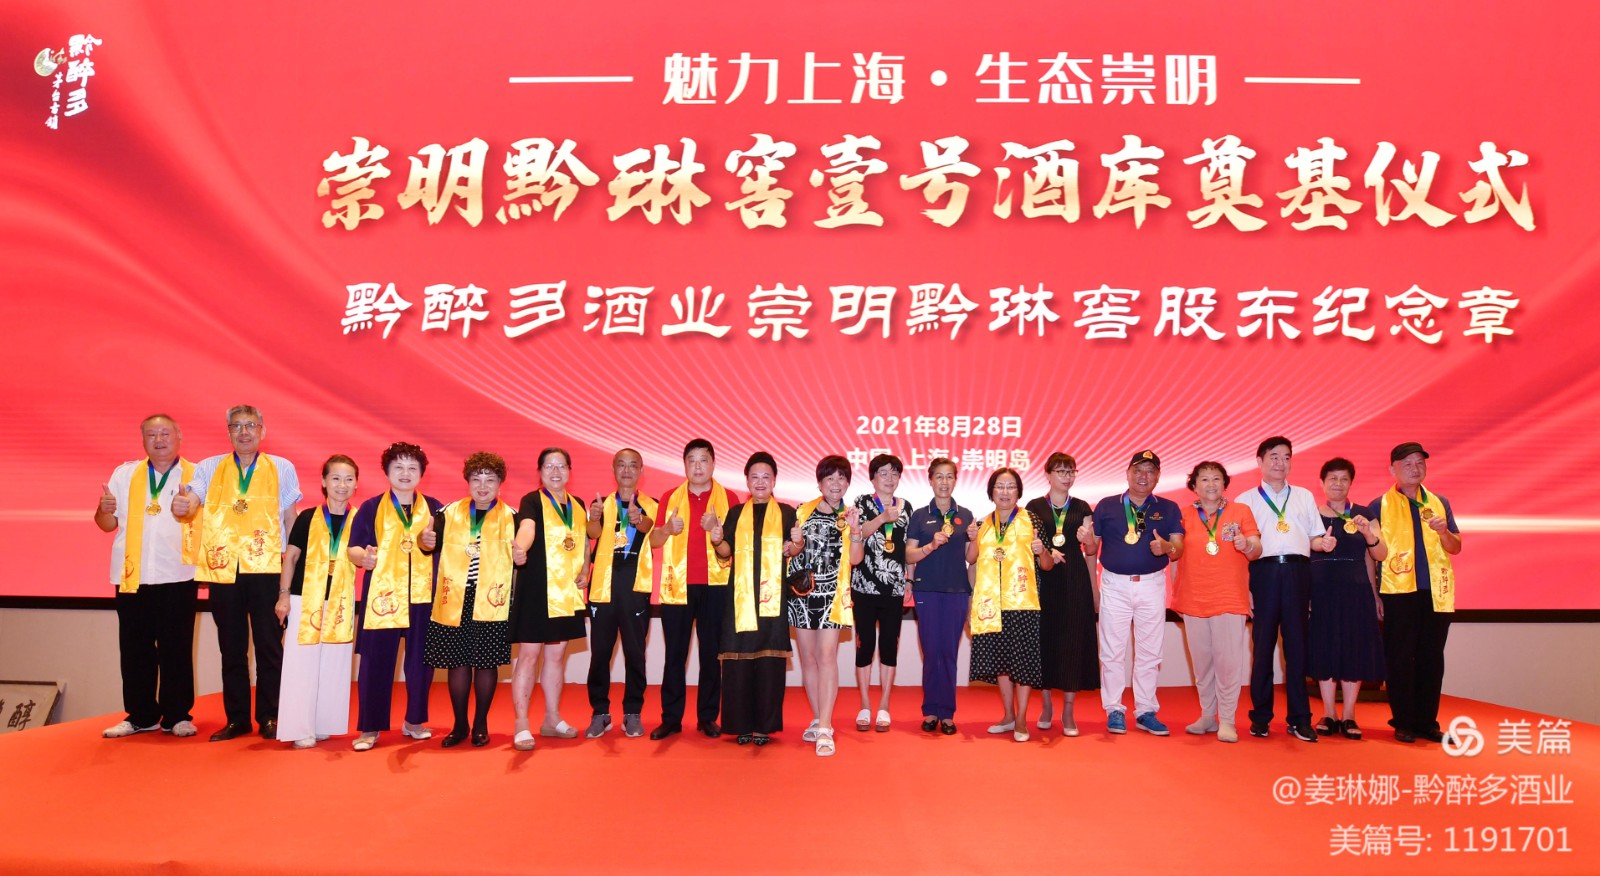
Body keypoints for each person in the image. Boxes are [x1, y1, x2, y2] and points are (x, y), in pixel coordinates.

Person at [172, 404, 302, 742]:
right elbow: (192, 500)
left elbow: (290, 517)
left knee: (270, 647)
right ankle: (237, 719)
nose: (244, 432)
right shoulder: (209, 466)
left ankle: (270, 716)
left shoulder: (282, 467)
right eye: (236, 426)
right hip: (224, 571)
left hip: (267, 569)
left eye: (250, 425)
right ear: (228, 432)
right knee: (231, 649)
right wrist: (183, 506)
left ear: (262, 430)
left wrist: (293, 568)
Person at [95, 414, 200, 739]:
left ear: (179, 436)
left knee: (176, 648)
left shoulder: (197, 476)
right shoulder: (125, 474)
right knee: (134, 649)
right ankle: (141, 715)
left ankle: (177, 716)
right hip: (131, 576)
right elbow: (106, 524)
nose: (159, 440)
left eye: (165, 433)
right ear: (143, 440)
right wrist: (103, 509)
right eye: (151, 434)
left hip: (178, 575)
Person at [1236, 436, 1336, 743]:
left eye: (1287, 457)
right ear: (1260, 461)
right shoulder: (1245, 500)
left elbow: (1314, 538)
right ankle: (1261, 717)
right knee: (1262, 649)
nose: (1281, 463)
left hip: (1297, 572)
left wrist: (1324, 543)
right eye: (1274, 457)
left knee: (1297, 649)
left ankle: (1300, 719)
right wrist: (1245, 588)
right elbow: (1239, 550)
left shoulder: (1304, 496)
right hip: (1262, 574)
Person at [347, 442, 443, 751]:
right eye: (398, 467)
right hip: (383, 598)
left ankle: (414, 721)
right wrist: (363, 558)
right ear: (387, 472)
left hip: (423, 598)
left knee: (421, 664)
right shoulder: (371, 507)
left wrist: (434, 542)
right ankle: (370, 727)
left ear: (421, 474)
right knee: (375, 663)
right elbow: (353, 548)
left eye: (412, 468)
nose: (405, 473)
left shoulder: (436, 508)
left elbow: (447, 550)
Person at [1081, 450, 1184, 736]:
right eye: (1138, 470)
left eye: (1150, 471)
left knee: (1150, 651)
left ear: (1158, 476)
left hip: (1151, 584)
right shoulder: (1107, 506)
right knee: (1112, 651)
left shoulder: (1169, 507)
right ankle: (1114, 709)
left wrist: (1167, 547)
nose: (1143, 476)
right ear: (1127, 473)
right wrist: (1088, 547)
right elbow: (1092, 549)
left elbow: (1178, 549)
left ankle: (1146, 710)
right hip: (1114, 585)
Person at [422, 452, 519, 748]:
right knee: (457, 663)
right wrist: (424, 541)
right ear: (467, 481)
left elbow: (521, 560)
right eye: (477, 479)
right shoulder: (448, 512)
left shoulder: (513, 516)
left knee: (486, 663)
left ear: (500, 483)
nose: (483, 485)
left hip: (492, 599)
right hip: (455, 597)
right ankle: (460, 724)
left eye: (490, 479)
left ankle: (480, 724)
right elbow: (428, 543)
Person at [1368, 442, 1461, 744]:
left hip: (1435, 592)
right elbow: (1371, 554)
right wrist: (1374, 594)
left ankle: (1426, 722)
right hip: (1397, 592)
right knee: (1399, 657)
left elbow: (1456, 547)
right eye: (1406, 463)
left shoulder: (1439, 503)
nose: (1414, 468)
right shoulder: (1378, 506)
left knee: (1431, 658)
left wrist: (1444, 531)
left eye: (1420, 462)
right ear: (1392, 469)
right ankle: (1404, 722)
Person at [648, 438, 735, 740]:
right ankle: (671, 718)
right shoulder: (669, 497)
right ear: (684, 464)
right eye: (692, 461)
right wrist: (667, 529)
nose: (698, 467)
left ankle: (707, 717)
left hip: (716, 587)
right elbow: (654, 541)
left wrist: (717, 531)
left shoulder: (729, 498)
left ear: (713, 463)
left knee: (711, 655)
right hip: (677, 587)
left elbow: (734, 545)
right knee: (675, 655)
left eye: (703, 460)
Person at [710, 452, 799, 745]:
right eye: (754, 477)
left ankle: (764, 726)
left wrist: (796, 544)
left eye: (766, 477)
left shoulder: (786, 513)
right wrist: (717, 539)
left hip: (773, 601)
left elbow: (794, 548)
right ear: (747, 481)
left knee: (770, 662)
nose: (760, 482)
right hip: (740, 598)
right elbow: (726, 552)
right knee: (737, 662)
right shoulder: (736, 513)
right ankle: (741, 725)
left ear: (774, 481)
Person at [273, 456, 360, 749]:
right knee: (301, 665)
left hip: (341, 601)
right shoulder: (307, 518)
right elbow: (291, 557)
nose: (342, 485)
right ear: (323, 481)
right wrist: (283, 595)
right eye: (335, 478)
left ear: (356, 484)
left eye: (348, 479)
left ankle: (323, 723)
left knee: (334, 664)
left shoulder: (360, 519)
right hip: (303, 598)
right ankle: (299, 728)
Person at [1170, 462, 1259, 744]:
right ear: (1194, 485)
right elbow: (1175, 557)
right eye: (1204, 479)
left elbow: (1256, 549)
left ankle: (1228, 720)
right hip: (1193, 598)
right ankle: (1208, 715)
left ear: (1225, 483)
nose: (1211, 484)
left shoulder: (1240, 511)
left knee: (1228, 664)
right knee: (1202, 664)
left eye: (1216, 479)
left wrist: (1247, 545)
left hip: (1229, 597)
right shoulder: (1183, 515)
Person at [509, 447, 590, 751]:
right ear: (540, 472)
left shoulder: (578, 504)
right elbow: (527, 528)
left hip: (566, 593)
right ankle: (521, 723)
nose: (555, 472)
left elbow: (582, 542)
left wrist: (586, 569)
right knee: (529, 656)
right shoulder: (532, 500)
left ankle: (552, 718)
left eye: (561, 466)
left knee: (557, 657)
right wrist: (520, 548)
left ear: (569, 471)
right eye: (549, 466)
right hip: (536, 589)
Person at [966, 467, 1054, 743]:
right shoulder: (982, 523)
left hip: (1023, 603)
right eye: (1000, 486)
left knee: (1023, 662)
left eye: (1010, 486)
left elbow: (1047, 565)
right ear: (991, 491)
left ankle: (1022, 719)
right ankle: (1007, 716)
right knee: (1001, 662)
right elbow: (971, 558)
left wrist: (1043, 551)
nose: (1005, 492)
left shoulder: (1031, 520)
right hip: (991, 604)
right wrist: (972, 539)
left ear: (1019, 492)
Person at [582, 448, 657, 739]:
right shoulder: (600, 504)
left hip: (634, 585)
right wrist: (594, 517)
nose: (627, 471)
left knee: (635, 653)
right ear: (613, 469)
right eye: (621, 465)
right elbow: (592, 533)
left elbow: (650, 527)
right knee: (600, 653)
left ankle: (632, 712)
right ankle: (600, 712)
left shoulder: (651, 504)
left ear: (641, 471)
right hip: (603, 584)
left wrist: (638, 519)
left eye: (633, 465)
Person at [789, 455, 859, 756]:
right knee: (808, 658)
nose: (836, 483)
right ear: (819, 483)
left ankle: (826, 728)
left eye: (841, 478)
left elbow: (855, 559)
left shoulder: (851, 514)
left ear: (848, 483)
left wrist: (856, 531)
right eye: (830, 478)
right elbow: (791, 550)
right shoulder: (802, 511)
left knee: (827, 655)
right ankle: (818, 718)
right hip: (802, 594)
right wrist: (792, 544)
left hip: (833, 594)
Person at [1026, 453, 1098, 737]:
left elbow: (1091, 551)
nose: (1066, 477)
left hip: (1074, 578)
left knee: (1072, 642)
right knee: (1044, 640)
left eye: (1071, 472)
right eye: (1060, 471)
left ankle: (1068, 710)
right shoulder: (1033, 506)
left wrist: (1089, 542)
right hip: (1044, 578)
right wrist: (1045, 551)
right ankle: (1046, 706)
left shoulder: (1082, 507)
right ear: (1048, 475)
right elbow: (1028, 544)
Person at [904, 458, 973, 736]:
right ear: (930, 480)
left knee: (949, 653)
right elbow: (909, 555)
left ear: (956, 480)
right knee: (931, 652)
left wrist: (976, 539)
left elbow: (971, 558)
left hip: (957, 591)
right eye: (939, 477)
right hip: (927, 590)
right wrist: (930, 546)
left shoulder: (966, 515)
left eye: (949, 477)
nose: (944, 482)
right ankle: (931, 710)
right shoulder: (920, 515)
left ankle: (947, 713)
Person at [848, 454, 910, 733]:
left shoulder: (907, 507)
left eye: (894, 473)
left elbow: (907, 548)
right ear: (872, 478)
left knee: (889, 645)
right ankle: (864, 704)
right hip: (864, 586)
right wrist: (883, 518)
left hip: (894, 588)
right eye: (883, 473)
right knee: (864, 645)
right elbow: (856, 534)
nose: (889, 478)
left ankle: (884, 704)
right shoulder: (862, 503)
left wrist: (909, 580)